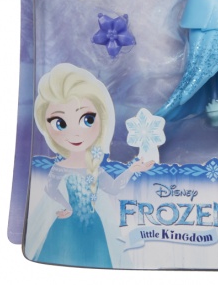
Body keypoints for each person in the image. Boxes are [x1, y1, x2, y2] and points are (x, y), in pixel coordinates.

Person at [28, 63, 153, 268]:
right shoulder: (60, 167)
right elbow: (50, 189)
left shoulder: (95, 167)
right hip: (66, 228)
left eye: (87, 120)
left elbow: (113, 188)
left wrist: (131, 169)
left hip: (94, 229)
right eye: (60, 123)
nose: (75, 133)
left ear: (101, 119)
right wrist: (66, 205)